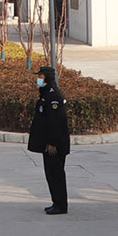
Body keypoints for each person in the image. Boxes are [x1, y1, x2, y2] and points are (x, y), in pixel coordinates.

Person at [27, 65, 72, 214]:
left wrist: (52, 143)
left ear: (47, 78)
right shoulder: (46, 94)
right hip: (48, 144)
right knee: (51, 174)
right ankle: (56, 202)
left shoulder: (54, 97)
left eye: (40, 77)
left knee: (56, 174)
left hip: (55, 146)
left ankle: (60, 205)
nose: (38, 80)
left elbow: (56, 123)